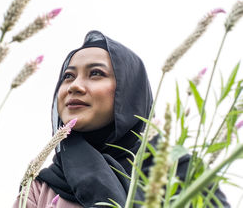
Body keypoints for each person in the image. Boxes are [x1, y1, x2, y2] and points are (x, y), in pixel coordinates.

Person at [12, 30, 230, 208]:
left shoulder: (180, 173)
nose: (74, 86)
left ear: (129, 92)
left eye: (96, 73)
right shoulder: (41, 188)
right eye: (68, 76)